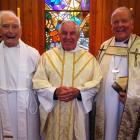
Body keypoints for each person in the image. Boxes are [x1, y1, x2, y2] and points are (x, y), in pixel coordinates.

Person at [32, 20, 102, 140]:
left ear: (78, 36)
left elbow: (96, 85)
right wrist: (54, 92)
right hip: (54, 116)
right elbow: (38, 83)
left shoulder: (90, 60)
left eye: (72, 33)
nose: (68, 37)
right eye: (64, 33)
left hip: (78, 116)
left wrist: (79, 92)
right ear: (59, 35)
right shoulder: (47, 57)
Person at [95, 7, 140, 140]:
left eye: (124, 21)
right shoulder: (104, 47)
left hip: (130, 108)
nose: (120, 25)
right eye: (115, 22)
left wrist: (132, 99)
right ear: (111, 25)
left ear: (132, 24)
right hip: (105, 107)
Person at [0, 11, 40, 140]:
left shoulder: (33, 54)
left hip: (27, 110)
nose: (10, 31)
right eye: (5, 26)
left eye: (15, 26)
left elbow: (42, 83)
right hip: (2, 108)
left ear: (21, 29)